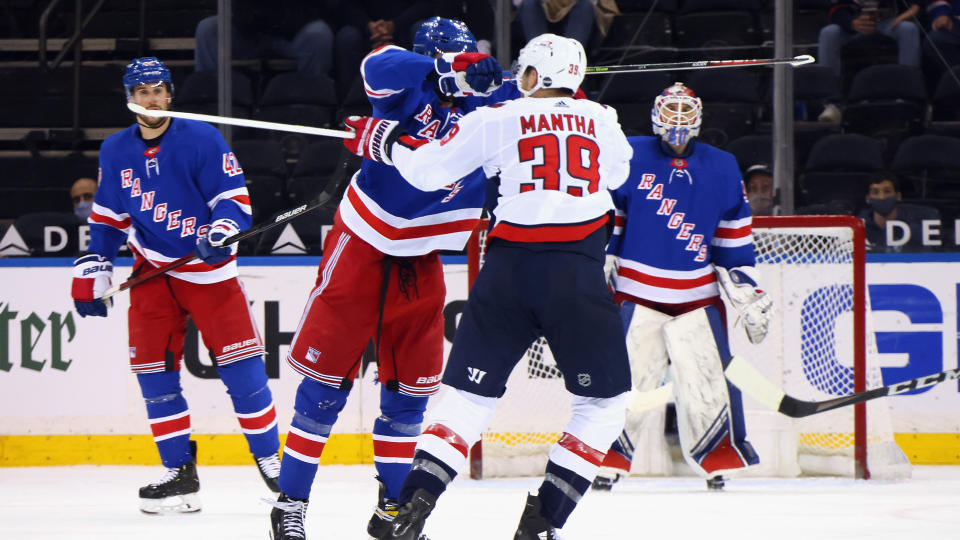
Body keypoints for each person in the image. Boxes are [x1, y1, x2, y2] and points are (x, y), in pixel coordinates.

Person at [344, 33, 634, 540]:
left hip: (508, 272)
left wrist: (386, 142)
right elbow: (618, 173)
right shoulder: (604, 120)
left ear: (536, 76)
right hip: (575, 274)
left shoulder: (495, 118)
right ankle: (542, 523)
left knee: (465, 402)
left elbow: (430, 172)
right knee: (603, 407)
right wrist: (579, 114)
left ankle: (411, 506)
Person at [264, 17, 520, 540]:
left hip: (422, 258)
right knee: (323, 389)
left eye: (472, 58)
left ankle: (393, 508)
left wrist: (550, 85)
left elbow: (542, 101)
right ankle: (289, 505)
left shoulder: (488, 109)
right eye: (459, 59)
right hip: (363, 246)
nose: (470, 68)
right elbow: (376, 62)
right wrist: (446, 70)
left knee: (407, 398)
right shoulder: (404, 83)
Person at [69, 57, 282, 514]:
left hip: (209, 272)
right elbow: (108, 218)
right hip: (151, 272)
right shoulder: (115, 150)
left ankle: (272, 462)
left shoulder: (202, 137)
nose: (152, 98)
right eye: (142, 92)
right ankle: (178, 474)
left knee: (242, 372)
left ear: (170, 94)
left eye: (158, 90)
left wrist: (221, 229)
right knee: (153, 374)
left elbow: (233, 198)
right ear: (130, 98)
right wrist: (95, 263)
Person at [591, 82, 773, 493]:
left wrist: (748, 294)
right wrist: (596, 262)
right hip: (637, 294)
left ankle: (718, 458)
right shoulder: (631, 153)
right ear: (655, 115)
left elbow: (732, 238)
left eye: (684, 111)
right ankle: (606, 457)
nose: (676, 120)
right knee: (625, 381)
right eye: (669, 110)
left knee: (708, 381)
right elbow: (610, 215)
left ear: (699, 117)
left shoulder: (723, 166)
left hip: (697, 296)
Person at [817, 0, 921, 122]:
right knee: (829, 32)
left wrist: (904, 15)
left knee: (908, 29)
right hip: (853, 25)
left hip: (888, 22)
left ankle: (909, 97)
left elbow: (915, 5)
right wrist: (851, 22)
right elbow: (835, 9)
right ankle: (832, 103)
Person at [194, 0, 335, 78]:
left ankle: (311, 101)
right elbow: (239, 10)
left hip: (292, 34)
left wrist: (278, 22)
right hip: (249, 34)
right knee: (208, 28)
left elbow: (315, 8)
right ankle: (209, 99)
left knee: (319, 34)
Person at [858, 171, 939, 252]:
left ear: (898, 196)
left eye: (887, 191)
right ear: (868, 199)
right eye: (875, 192)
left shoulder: (914, 228)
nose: (882, 197)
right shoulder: (859, 228)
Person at [519, 0, 596, 48]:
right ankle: (537, 56)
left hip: (578, 10)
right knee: (529, 4)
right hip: (538, 9)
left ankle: (571, 58)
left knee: (585, 6)